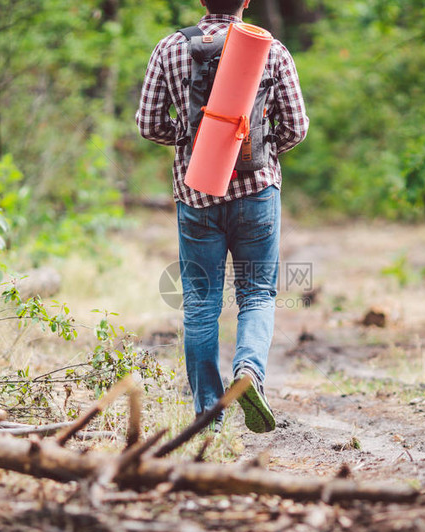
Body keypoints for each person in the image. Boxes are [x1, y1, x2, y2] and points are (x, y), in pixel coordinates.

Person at [136, 0, 308, 433]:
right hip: (257, 194)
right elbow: (297, 125)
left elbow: (149, 123)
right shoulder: (272, 50)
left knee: (199, 303)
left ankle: (208, 415)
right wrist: (258, 151)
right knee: (256, 295)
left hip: (196, 195)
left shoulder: (169, 48)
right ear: (246, 1)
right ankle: (248, 373)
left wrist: (195, 143)